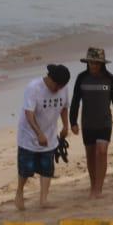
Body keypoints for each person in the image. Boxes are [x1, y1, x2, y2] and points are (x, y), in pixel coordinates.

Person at [68, 47, 113, 198]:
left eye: (97, 63)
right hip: (87, 123)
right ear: (88, 62)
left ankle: (98, 188)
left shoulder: (110, 79)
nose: (94, 66)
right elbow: (75, 101)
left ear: (102, 64)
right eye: (91, 62)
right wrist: (73, 122)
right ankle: (93, 186)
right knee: (90, 155)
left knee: (102, 152)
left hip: (104, 123)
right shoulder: (81, 78)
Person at [15, 64, 71, 210]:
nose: (58, 89)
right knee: (26, 169)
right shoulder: (34, 87)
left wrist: (66, 126)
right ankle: (19, 192)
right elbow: (29, 113)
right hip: (28, 136)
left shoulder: (63, 88)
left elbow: (64, 107)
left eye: (61, 86)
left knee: (47, 168)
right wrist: (39, 133)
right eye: (57, 85)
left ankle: (44, 200)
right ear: (50, 78)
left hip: (50, 135)